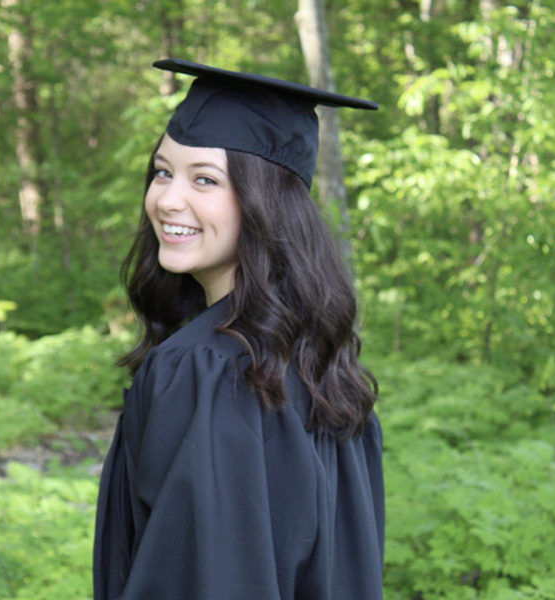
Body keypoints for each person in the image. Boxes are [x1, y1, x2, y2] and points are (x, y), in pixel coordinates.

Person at [93, 58, 385, 600]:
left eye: (205, 179)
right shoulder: (323, 370)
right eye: (162, 171)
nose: (167, 199)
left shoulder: (202, 369)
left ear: (264, 204)